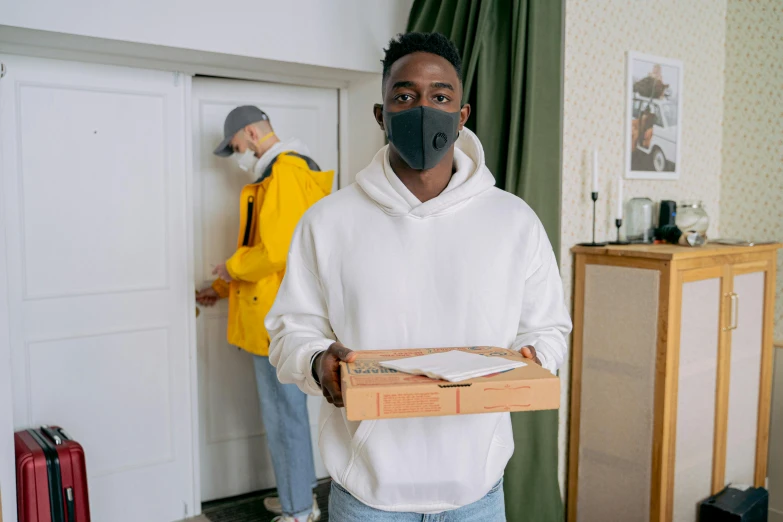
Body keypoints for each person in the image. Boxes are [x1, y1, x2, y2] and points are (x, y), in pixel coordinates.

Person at [266, 32, 572, 521]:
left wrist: (538, 358)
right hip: (367, 497)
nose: (423, 107)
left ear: (462, 114)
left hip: (477, 494)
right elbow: (288, 332)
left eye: (440, 96)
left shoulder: (514, 221)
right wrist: (318, 362)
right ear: (381, 114)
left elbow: (549, 328)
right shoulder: (327, 222)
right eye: (404, 96)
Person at [196, 105, 333, 522]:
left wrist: (230, 269)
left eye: (236, 146)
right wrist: (220, 288)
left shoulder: (286, 172)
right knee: (285, 411)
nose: (238, 155)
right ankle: (297, 493)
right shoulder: (281, 172)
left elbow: (275, 249)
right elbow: (266, 243)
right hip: (278, 313)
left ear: (252, 134)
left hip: (276, 321)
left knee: (283, 413)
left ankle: (296, 509)